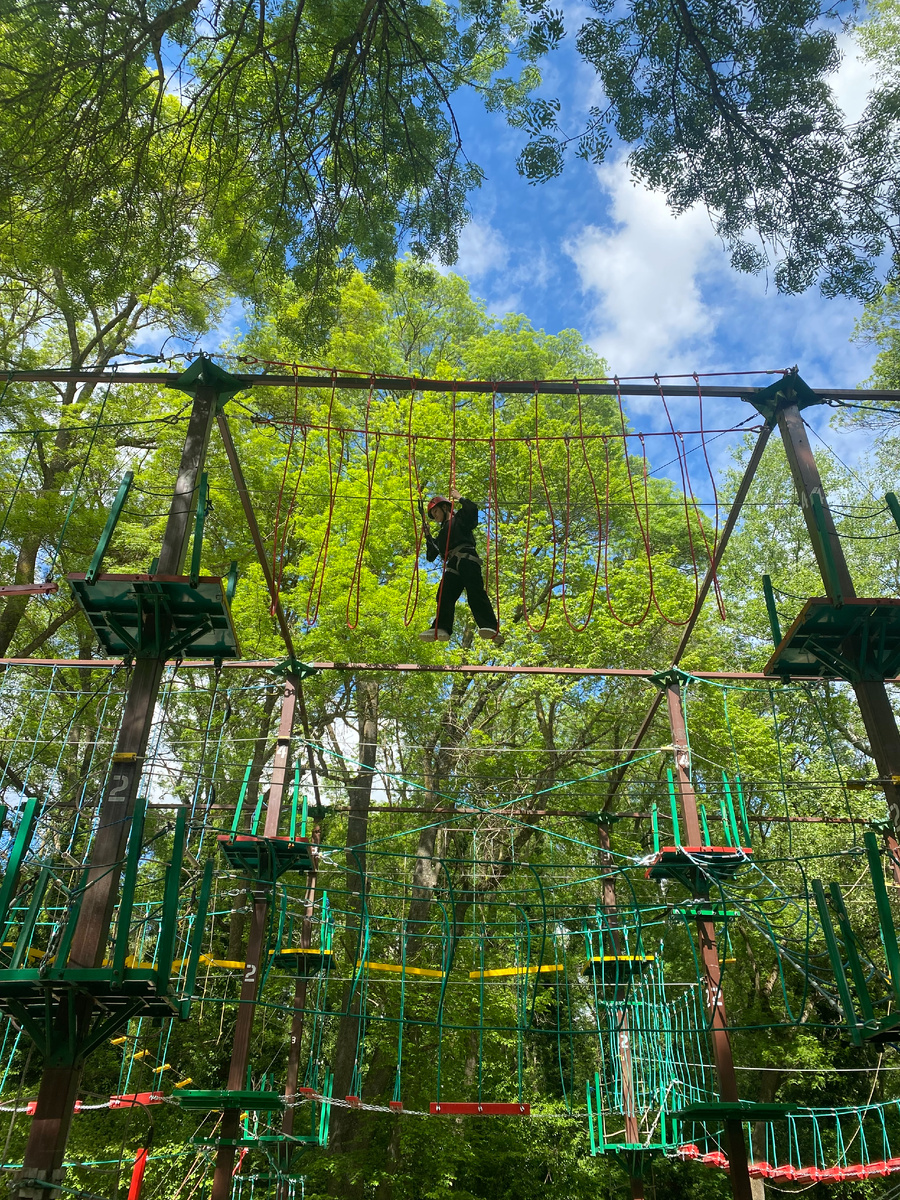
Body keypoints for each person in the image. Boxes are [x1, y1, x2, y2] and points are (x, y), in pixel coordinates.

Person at [419, 487, 499, 642]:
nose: (434, 516)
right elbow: (431, 555)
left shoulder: (460, 519)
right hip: (453, 563)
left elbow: (472, 510)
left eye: (435, 511)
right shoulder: (443, 533)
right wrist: (428, 535)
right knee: (443, 594)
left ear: (444, 507)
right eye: (432, 514)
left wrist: (460, 498)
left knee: (474, 592)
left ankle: (490, 626)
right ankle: (441, 627)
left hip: (467, 558)